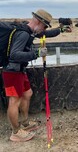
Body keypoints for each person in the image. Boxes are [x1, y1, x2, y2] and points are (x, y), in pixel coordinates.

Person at [2, 9, 61, 142]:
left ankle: (25, 123)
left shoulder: (29, 31)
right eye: (44, 26)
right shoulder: (23, 34)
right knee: (14, 100)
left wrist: (60, 30)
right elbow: (14, 55)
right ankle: (16, 132)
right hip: (11, 72)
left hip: (20, 70)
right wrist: (36, 54)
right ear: (39, 22)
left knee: (27, 93)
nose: (44, 29)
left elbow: (46, 34)